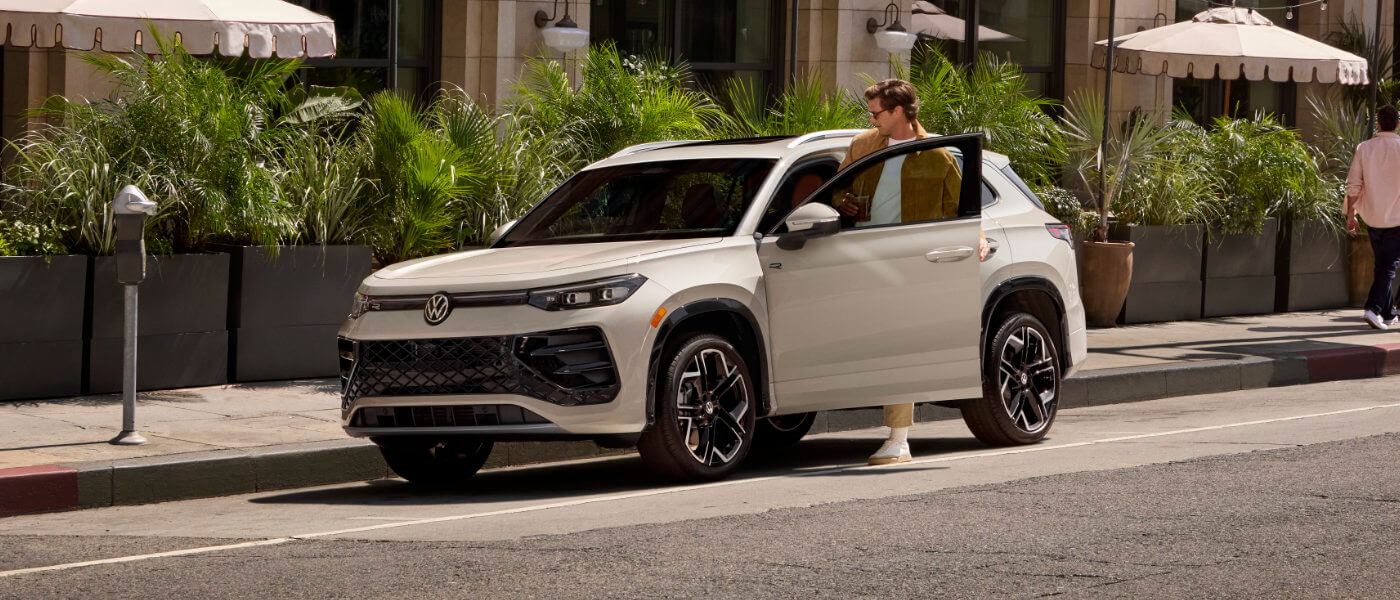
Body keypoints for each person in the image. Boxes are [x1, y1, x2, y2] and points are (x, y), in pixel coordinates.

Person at [833, 78, 963, 465]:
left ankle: (899, 439)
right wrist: (845, 203)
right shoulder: (862, 145)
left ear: (899, 112)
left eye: (876, 113)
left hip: (910, 262)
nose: (871, 119)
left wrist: (979, 239)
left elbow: (961, 208)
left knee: (896, 347)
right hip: (861, 257)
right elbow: (835, 189)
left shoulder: (936, 155)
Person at [1346, 104, 1400, 330]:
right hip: (1397, 218)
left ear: (1377, 123)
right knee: (1388, 267)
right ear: (1398, 124)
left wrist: (1351, 214)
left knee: (1382, 266)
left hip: (1373, 217)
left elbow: (1353, 184)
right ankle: (1373, 308)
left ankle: (1388, 313)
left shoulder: (1364, 148)